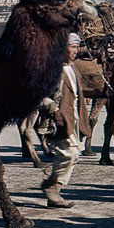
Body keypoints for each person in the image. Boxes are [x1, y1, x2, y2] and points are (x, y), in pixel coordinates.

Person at [39, 32, 91, 209]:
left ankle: (54, 190)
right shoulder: (51, 69)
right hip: (59, 121)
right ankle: (52, 186)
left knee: (74, 154)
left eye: (77, 47)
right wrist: (54, 110)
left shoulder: (72, 68)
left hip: (73, 119)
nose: (75, 51)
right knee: (70, 153)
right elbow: (38, 94)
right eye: (72, 47)